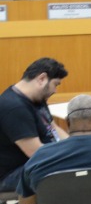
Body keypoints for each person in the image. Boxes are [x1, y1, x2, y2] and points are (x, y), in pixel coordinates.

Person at [0, 58, 67, 192]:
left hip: (34, 163)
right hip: (12, 174)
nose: (55, 90)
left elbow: (53, 127)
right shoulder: (14, 108)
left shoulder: (36, 98)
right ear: (42, 79)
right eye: (55, 84)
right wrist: (71, 155)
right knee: (69, 170)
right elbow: (36, 153)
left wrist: (76, 145)